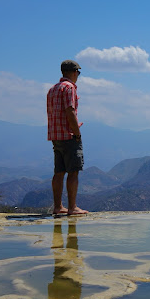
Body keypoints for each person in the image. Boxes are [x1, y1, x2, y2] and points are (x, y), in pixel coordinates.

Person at [47, 59, 88, 215]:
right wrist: (76, 133)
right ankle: (72, 208)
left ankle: (58, 207)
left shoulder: (52, 89)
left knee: (59, 172)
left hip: (55, 135)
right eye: (78, 72)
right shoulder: (69, 88)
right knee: (73, 172)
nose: (78, 75)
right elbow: (70, 111)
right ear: (73, 72)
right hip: (68, 135)